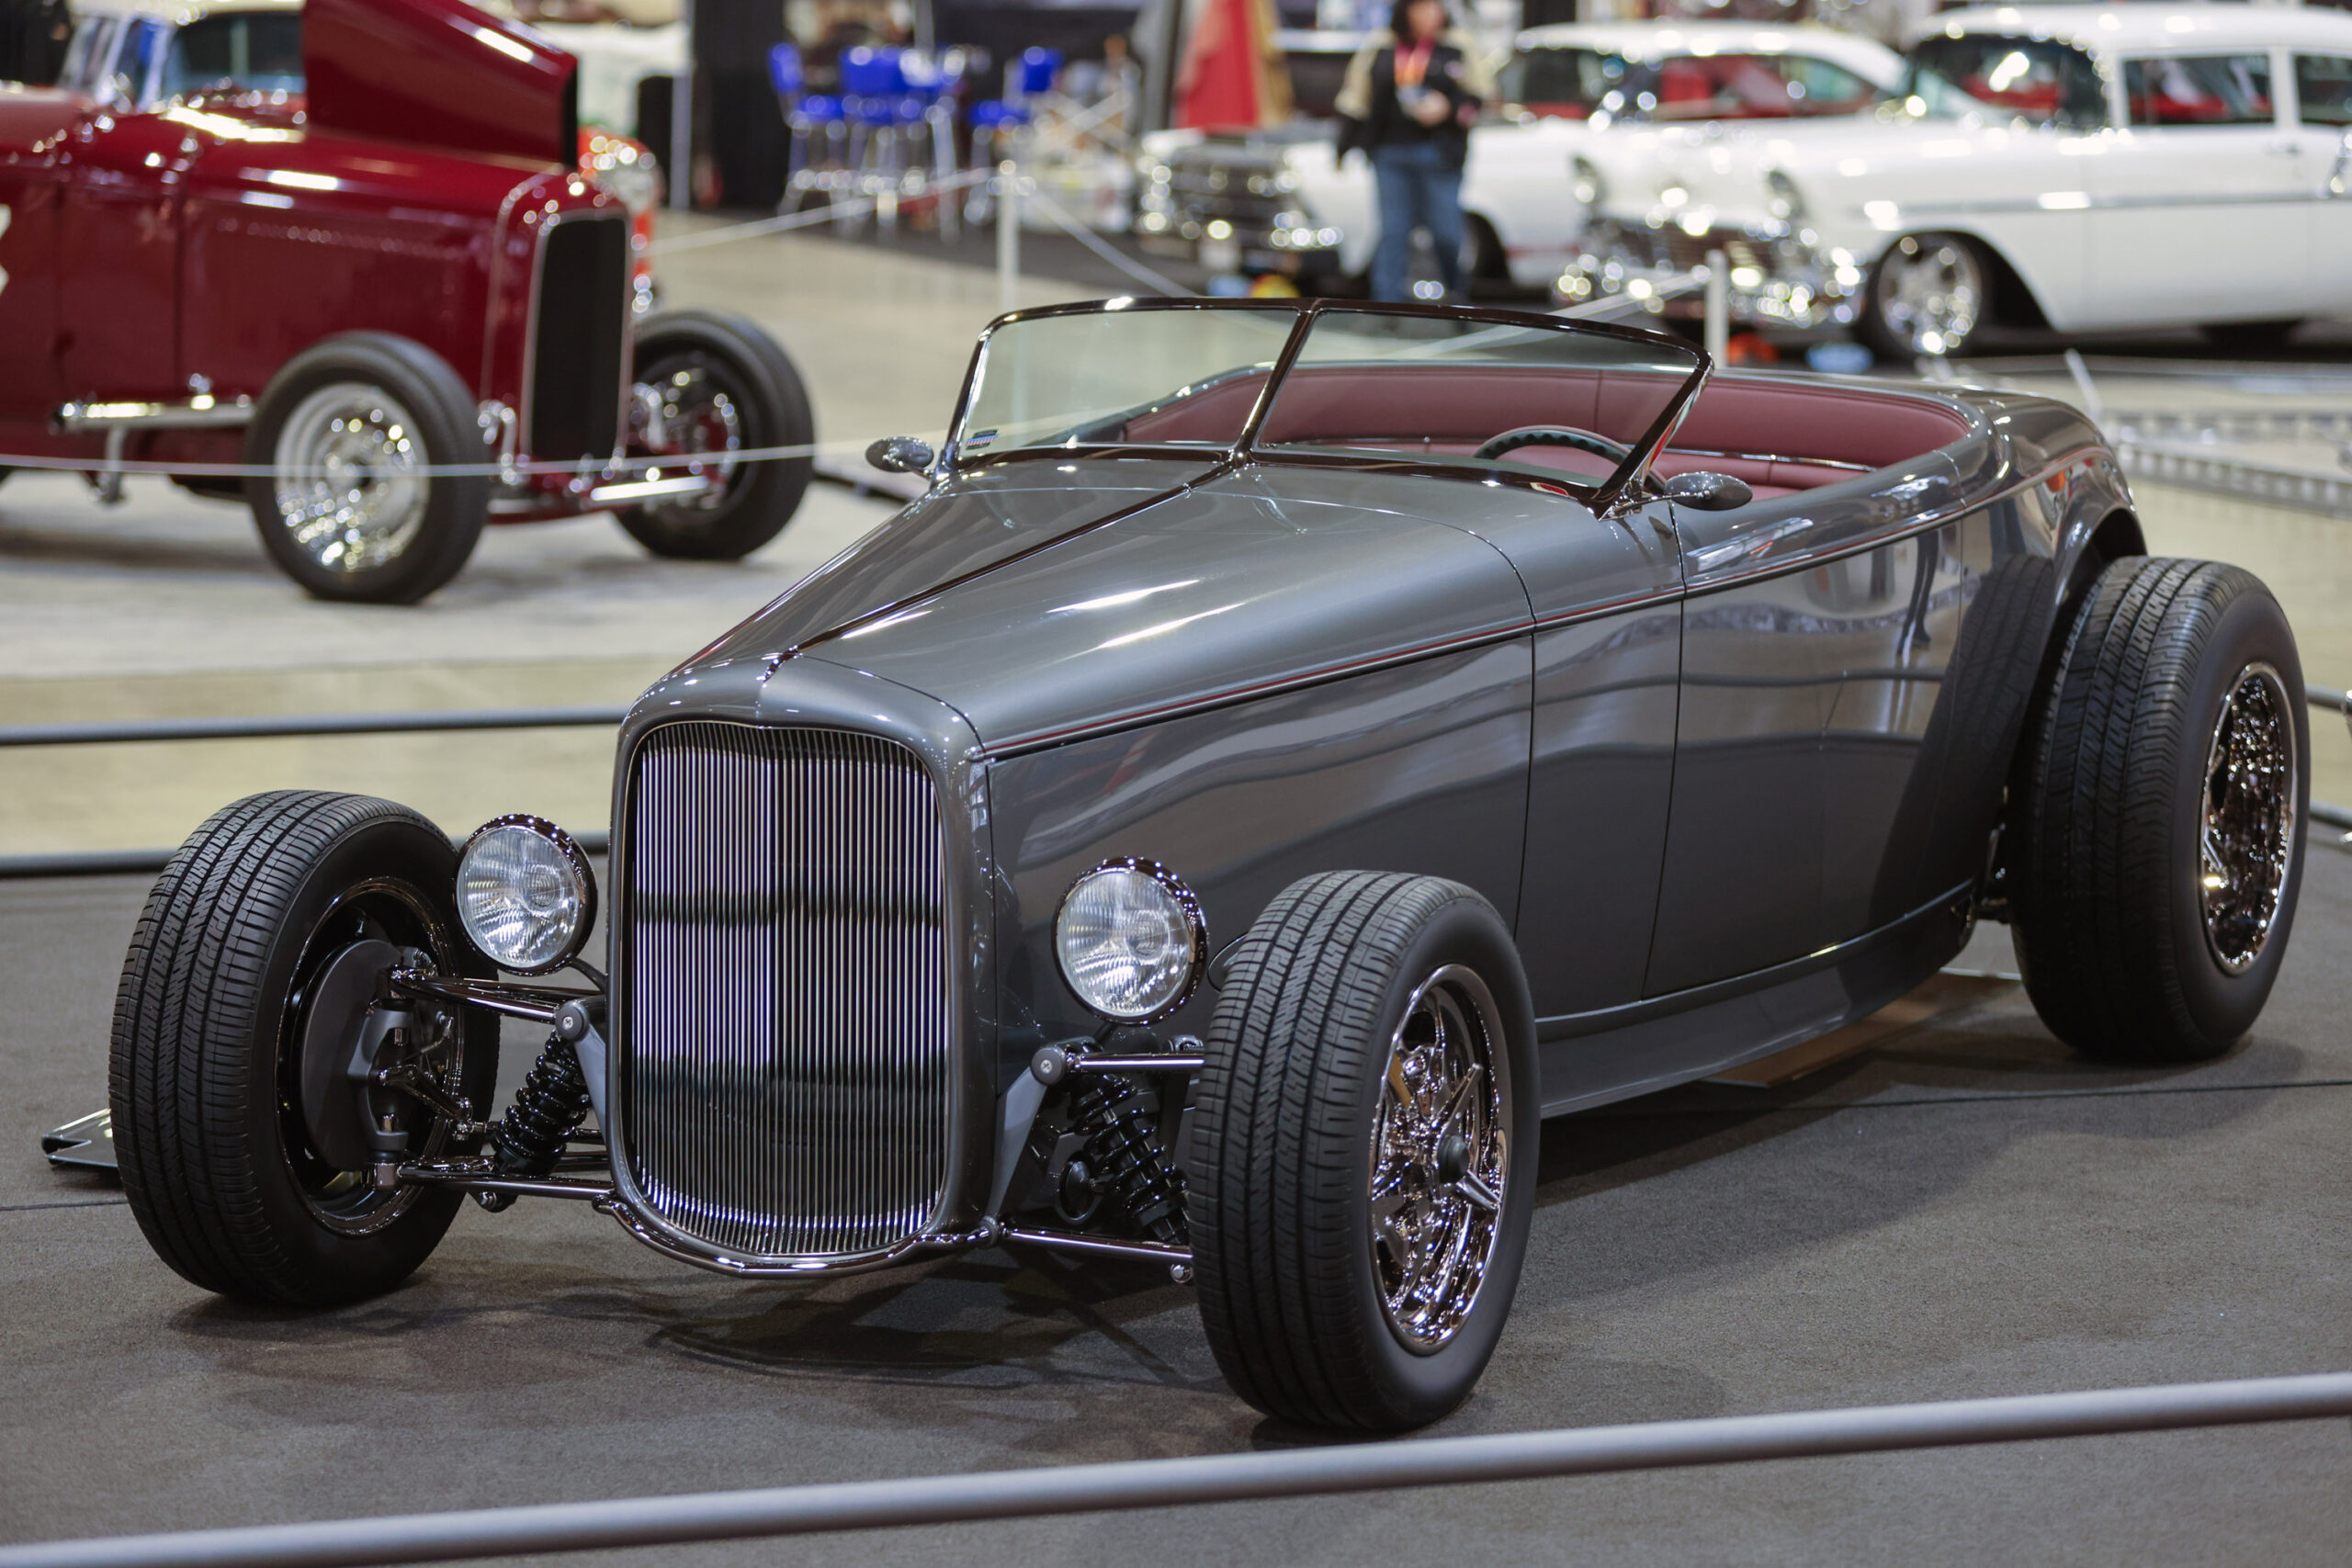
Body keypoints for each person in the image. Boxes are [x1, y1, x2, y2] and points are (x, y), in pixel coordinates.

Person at [1334, 0, 1492, 303]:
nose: (1428, 15)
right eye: (1420, 8)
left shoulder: (1458, 45)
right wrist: (1343, 145)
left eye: (1434, 8)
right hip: (1390, 152)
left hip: (1439, 154)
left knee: (1446, 231)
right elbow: (1356, 97)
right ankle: (1387, 305)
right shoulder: (1381, 45)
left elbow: (1479, 94)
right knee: (1393, 232)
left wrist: (1449, 108)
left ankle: (1458, 293)